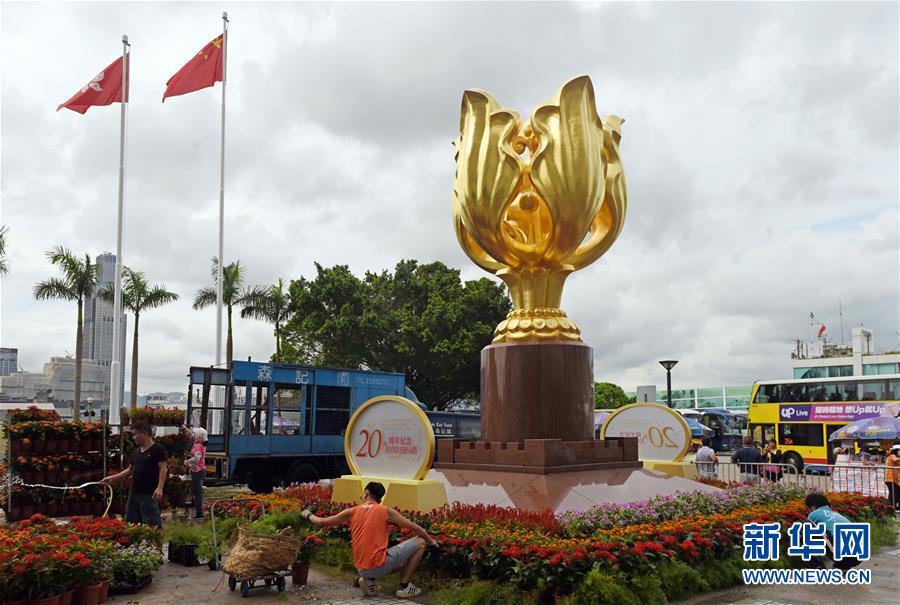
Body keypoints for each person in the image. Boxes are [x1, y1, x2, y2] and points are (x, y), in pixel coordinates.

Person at [302, 481, 438, 598]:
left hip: (361, 568)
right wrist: (432, 542)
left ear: (366, 493)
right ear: (380, 498)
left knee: (397, 559)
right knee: (420, 542)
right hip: (378, 565)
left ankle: (369, 580)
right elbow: (417, 529)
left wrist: (307, 514)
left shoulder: (353, 510)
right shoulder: (385, 510)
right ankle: (404, 587)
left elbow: (321, 522)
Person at [101, 421, 168, 527]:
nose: (134, 437)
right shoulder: (136, 452)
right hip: (135, 492)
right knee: (132, 523)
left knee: (152, 523)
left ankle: (155, 542)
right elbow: (130, 470)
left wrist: (159, 488)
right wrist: (113, 478)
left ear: (145, 433)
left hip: (149, 493)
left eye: (135, 434)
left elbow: (163, 469)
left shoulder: (158, 449)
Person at [804, 492, 861, 570]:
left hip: (842, 554)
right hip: (859, 556)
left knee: (806, 529)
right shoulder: (837, 514)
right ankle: (842, 566)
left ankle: (817, 566)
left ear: (813, 507)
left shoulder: (814, 514)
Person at [185, 427, 207, 520]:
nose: (195, 436)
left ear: (201, 437)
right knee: (197, 492)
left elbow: (197, 458)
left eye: (197, 435)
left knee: (198, 493)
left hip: (198, 471)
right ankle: (198, 512)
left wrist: (187, 462)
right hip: (198, 470)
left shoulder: (198, 446)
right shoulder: (200, 445)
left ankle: (199, 513)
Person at [885, 444, 900, 511]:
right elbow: (894, 460)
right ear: (896, 451)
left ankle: (893, 507)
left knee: (894, 494)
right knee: (894, 494)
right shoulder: (891, 456)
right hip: (890, 479)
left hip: (896, 480)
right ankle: (890, 507)